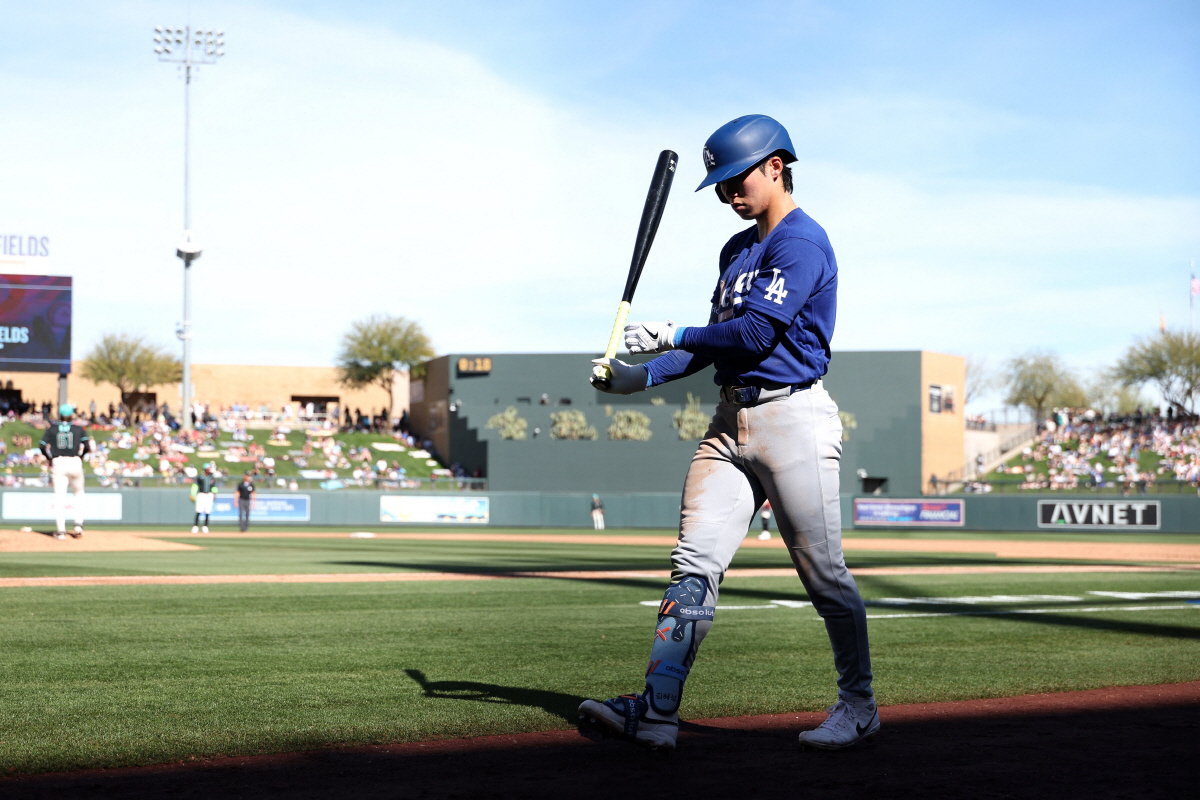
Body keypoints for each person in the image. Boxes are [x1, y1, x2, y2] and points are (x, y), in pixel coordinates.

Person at [580, 115, 876, 751]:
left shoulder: (803, 242)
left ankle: (859, 705)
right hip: (729, 421)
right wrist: (641, 378)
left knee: (824, 576)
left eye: (733, 178)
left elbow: (755, 335)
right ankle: (657, 712)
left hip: (793, 418)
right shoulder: (735, 250)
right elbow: (715, 347)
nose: (725, 193)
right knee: (693, 566)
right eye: (716, 183)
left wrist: (677, 332)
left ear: (776, 165)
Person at [39, 403, 91, 539]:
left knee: (59, 498)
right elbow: (86, 446)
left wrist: (49, 458)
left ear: (60, 415)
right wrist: (81, 456)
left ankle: (61, 531)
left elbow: (42, 445)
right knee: (79, 493)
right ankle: (78, 524)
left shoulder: (53, 429)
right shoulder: (78, 429)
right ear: (72, 415)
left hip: (58, 461)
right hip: (74, 461)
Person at [191, 462, 217, 533]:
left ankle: (205, 526)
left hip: (209, 494)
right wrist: (193, 494)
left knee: (207, 511)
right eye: (208, 469)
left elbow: (214, 487)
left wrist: (215, 494)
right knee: (199, 510)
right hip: (201, 494)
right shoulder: (200, 477)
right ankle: (195, 526)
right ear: (205, 469)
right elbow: (195, 486)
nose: (209, 470)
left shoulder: (211, 477)